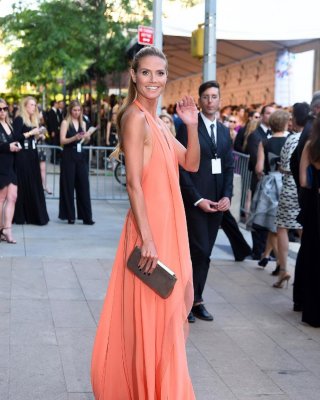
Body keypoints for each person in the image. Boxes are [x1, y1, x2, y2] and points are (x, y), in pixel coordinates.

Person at [91, 46, 199, 399]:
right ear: (134, 76)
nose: (154, 79)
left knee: (165, 322)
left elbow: (191, 163)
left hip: (167, 230)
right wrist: (148, 240)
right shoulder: (134, 118)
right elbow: (135, 184)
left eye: (160, 73)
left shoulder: (158, 123)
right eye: (147, 72)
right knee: (150, 319)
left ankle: (159, 390)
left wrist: (192, 126)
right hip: (149, 233)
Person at [176, 80, 234, 323]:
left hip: (217, 203)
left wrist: (228, 196)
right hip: (196, 201)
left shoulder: (223, 131)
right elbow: (182, 169)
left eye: (214, 97)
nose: (210, 101)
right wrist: (197, 198)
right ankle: (185, 302)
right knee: (195, 251)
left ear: (220, 100)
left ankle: (197, 299)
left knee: (206, 253)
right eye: (206, 97)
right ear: (200, 101)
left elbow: (229, 165)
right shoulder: (188, 127)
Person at [273, 103, 309, 288]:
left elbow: (282, 164)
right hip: (305, 189)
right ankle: (306, 268)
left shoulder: (292, 138)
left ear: (294, 119)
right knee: (304, 228)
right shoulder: (310, 137)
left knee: (283, 228)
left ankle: (284, 269)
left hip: (288, 187)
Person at [251, 109, 289, 274]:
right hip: (287, 184)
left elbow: (259, 167)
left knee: (273, 226)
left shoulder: (264, 142)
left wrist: (262, 174)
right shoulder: (290, 140)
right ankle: (267, 257)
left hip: (269, 186)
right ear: (286, 123)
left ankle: (281, 264)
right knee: (277, 226)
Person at [13, 96, 49, 226]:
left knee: (34, 183)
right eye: (32, 105)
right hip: (22, 156)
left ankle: (35, 215)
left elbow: (31, 139)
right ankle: (21, 215)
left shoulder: (33, 120)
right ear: (25, 106)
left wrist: (38, 135)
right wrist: (29, 133)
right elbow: (16, 137)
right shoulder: (19, 119)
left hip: (32, 154)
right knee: (24, 184)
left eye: (35, 105)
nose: (34, 108)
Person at [298, 115, 320, 327]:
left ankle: (312, 311)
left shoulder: (310, 146)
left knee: (312, 257)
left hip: (314, 207)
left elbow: (304, 181)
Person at [59, 100, 94, 225]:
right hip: (68, 155)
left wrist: (87, 136)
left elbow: (84, 141)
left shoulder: (83, 123)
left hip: (80, 156)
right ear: (70, 110)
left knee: (83, 185)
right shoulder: (65, 123)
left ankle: (86, 216)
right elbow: (62, 140)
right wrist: (74, 138)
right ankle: (70, 215)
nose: (77, 112)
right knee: (68, 185)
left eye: (79, 110)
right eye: (74, 110)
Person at [246, 105, 275, 260]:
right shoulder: (255, 135)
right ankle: (258, 250)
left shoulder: (275, 134)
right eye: (268, 113)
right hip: (259, 180)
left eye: (273, 114)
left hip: (271, 183)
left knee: (269, 217)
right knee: (257, 216)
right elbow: (254, 158)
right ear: (263, 115)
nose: (271, 116)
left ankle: (266, 251)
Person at [0, 98, 22, 243]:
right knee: (1, 199)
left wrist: (17, 144)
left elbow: (14, 139)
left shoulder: (9, 124)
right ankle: (2, 228)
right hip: (1, 165)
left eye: (4, 108)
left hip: (12, 165)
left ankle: (7, 229)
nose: (2, 112)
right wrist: (9, 147)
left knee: (12, 197)